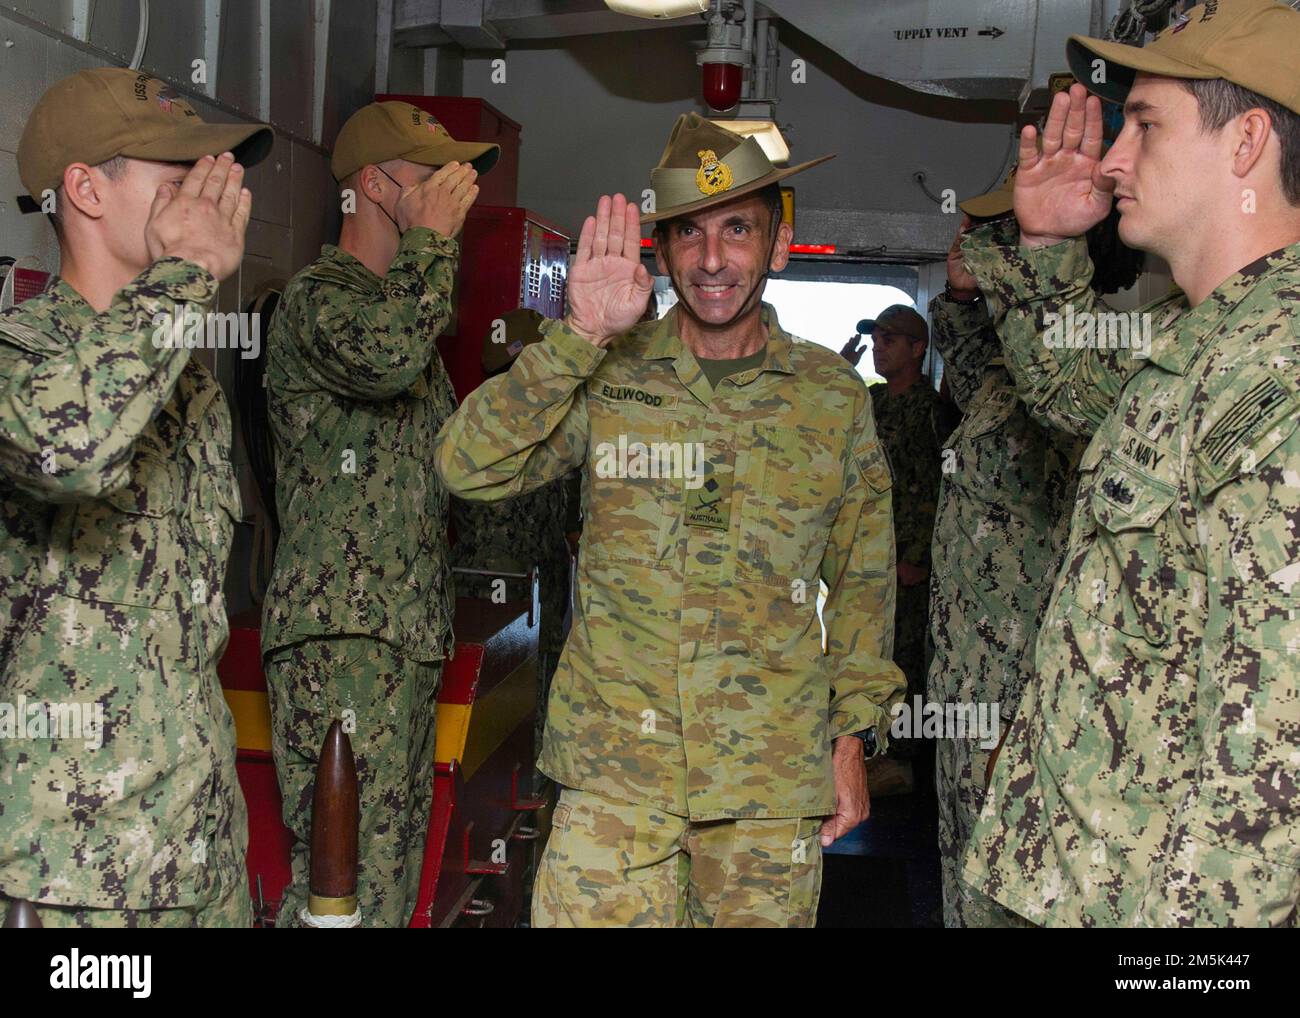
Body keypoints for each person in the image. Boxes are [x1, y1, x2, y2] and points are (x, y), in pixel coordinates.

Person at [435, 113, 904, 927]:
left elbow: (864, 581)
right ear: (660, 250)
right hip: (615, 782)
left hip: (766, 789)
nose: (712, 259)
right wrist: (578, 335)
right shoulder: (609, 376)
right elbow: (467, 465)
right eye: (687, 233)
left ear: (779, 243)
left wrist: (854, 737)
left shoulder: (830, 400)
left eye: (737, 230)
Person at [960, 0, 1300, 926]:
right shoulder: (1196, 336)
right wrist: (1042, 244)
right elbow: (1063, 391)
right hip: (1071, 879)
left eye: (1145, 124)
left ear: (1246, 144)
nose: (1113, 160)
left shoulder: (1281, 375)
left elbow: (1273, 761)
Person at [0, 68, 271, 927]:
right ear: (83, 188)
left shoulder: (188, 386)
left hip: (201, 855)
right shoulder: (20, 356)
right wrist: (189, 269)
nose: (208, 193)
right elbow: (69, 445)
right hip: (72, 876)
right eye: (176, 172)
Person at [260, 101, 497, 927]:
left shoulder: (408, 306)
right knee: (335, 884)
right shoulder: (318, 301)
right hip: (340, 641)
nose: (450, 196)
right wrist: (433, 242)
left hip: (400, 637)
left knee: (388, 889)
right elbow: (389, 354)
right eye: (431, 179)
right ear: (372, 185)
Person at [450, 308, 580, 769]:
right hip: (491, 585)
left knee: (534, 687)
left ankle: (527, 784)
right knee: (491, 696)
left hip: (539, 582)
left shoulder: (556, 418)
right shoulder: (486, 423)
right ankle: (507, 786)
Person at [867, 305, 942, 788]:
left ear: (917, 349)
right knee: (875, 653)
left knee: (911, 658)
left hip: (909, 561)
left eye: (890, 340)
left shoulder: (930, 410)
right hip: (873, 556)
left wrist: (919, 557)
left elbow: (937, 485)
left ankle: (907, 760)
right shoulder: (872, 402)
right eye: (876, 339)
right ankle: (877, 748)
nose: (879, 347)